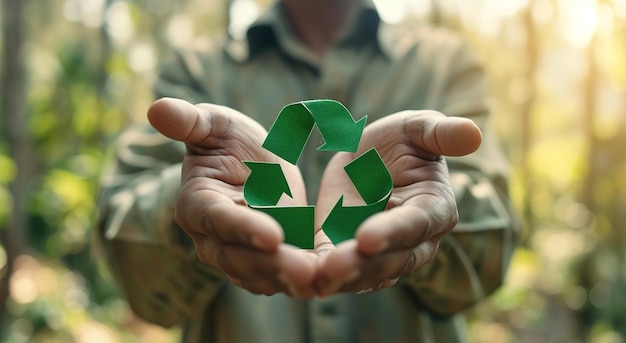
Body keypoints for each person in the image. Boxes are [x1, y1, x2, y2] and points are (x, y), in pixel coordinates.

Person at [96, 0, 519, 341]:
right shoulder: (196, 70)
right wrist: (198, 192)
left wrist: (424, 202)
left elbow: (493, 254)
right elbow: (137, 280)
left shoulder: (442, 63)